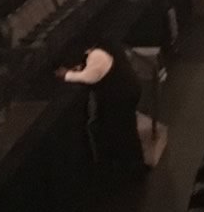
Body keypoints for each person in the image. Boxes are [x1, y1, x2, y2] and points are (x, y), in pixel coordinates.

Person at [58, 41, 146, 182]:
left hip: (120, 95)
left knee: (119, 130)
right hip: (128, 91)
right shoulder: (107, 47)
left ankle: (125, 168)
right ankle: (133, 165)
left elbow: (90, 76)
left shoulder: (97, 54)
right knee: (127, 128)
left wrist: (67, 74)